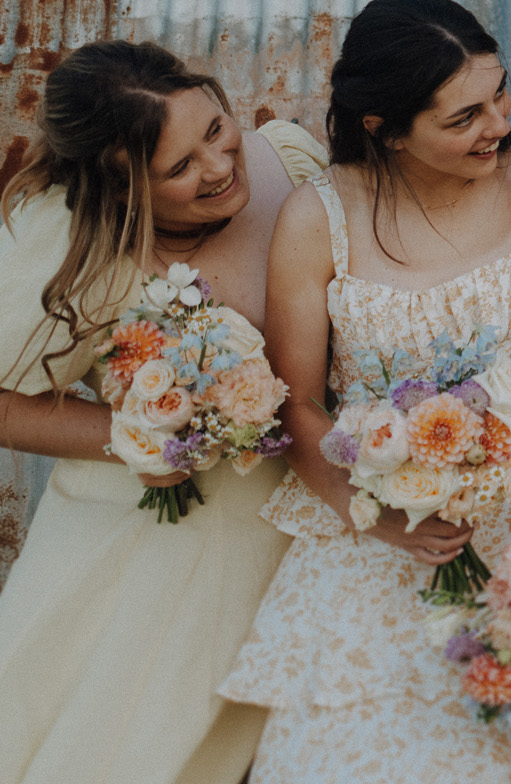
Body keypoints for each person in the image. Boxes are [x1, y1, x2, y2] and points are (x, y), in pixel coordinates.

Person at [220, 0, 511, 783]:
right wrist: (374, 516)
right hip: (368, 540)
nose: (497, 124)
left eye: (500, 94)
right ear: (384, 126)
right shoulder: (321, 218)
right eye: (463, 118)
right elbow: (298, 401)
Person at [0, 42, 324, 784]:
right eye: (179, 169)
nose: (218, 167)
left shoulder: (291, 165)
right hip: (141, 555)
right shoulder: (74, 241)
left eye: (214, 129)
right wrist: (144, 436)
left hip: (289, 541)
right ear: (119, 192)